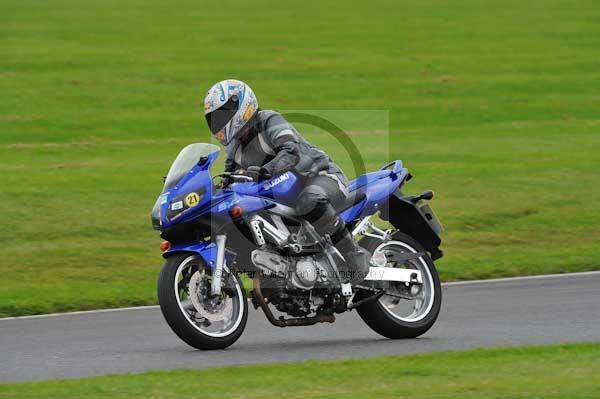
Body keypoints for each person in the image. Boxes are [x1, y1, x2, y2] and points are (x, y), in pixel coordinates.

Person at [203, 79, 369, 283]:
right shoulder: (234, 148)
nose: (219, 123)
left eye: (223, 116)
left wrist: (265, 171)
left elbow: (291, 152)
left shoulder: (269, 120)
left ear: (242, 107)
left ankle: (353, 254)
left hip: (321, 176)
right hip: (284, 193)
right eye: (214, 119)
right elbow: (231, 180)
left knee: (309, 200)